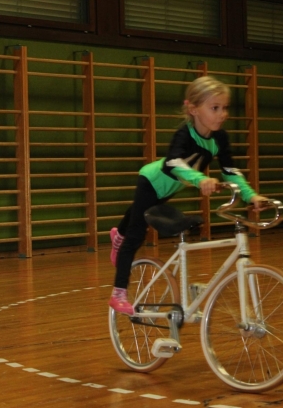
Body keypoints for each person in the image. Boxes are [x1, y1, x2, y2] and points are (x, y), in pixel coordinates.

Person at [109, 75, 268, 315]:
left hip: (168, 189)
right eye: (215, 108)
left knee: (135, 214)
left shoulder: (219, 138)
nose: (222, 114)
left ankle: (118, 234)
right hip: (151, 182)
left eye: (224, 108)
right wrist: (200, 179)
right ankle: (118, 293)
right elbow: (173, 163)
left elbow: (230, 171)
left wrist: (251, 196)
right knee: (136, 235)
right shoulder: (184, 134)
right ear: (193, 109)